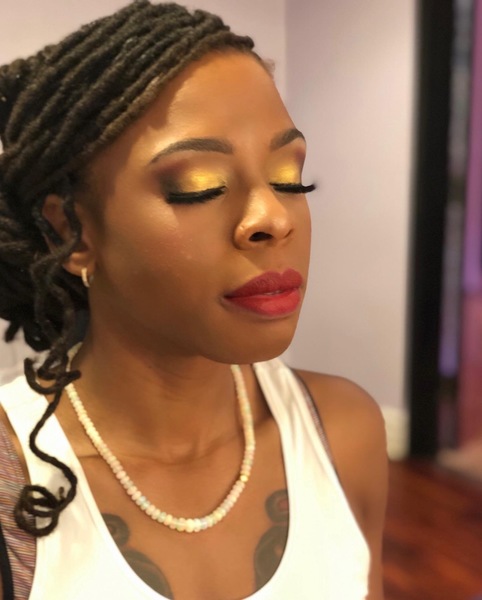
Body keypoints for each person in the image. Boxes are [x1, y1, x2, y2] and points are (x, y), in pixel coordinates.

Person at [0, 1, 388, 598]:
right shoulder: (13, 487)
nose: (274, 218)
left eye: (290, 177)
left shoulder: (345, 431)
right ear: (69, 232)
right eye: (199, 186)